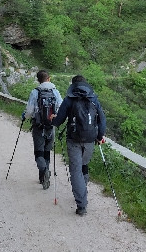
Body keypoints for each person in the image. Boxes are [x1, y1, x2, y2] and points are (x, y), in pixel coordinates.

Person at [50, 75, 106, 216]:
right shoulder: (94, 99)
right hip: (90, 139)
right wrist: (100, 136)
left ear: (73, 85)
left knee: (75, 171)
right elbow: (102, 119)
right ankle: (83, 190)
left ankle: (81, 205)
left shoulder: (69, 99)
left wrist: (52, 120)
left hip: (74, 139)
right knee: (84, 166)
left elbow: (58, 121)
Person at [22, 70, 63, 190]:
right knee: (46, 152)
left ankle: (44, 172)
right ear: (49, 78)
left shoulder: (35, 92)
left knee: (38, 152)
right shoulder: (55, 91)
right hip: (51, 126)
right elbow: (61, 107)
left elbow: (29, 111)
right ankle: (44, 174)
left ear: (38, 80)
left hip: (38, 126)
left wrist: (24, 116)